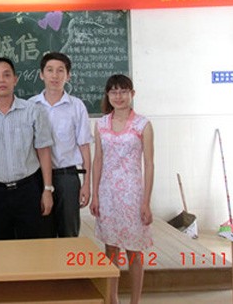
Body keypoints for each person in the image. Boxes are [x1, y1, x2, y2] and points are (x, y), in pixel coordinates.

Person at [0, 57, 54, 240]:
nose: (1, 80)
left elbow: (44, 151)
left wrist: (47, 189)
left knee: (31, 244)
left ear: (15, 79)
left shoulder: (32, 110)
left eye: (7, 75)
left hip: (28, 188)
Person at [90, 74, 154, 304]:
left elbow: (149, 163)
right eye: (114, 92)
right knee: (111, 248)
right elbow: (98, 160)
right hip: (108, 194)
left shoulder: (142, 125)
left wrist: (146, 201)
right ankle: (112, 298)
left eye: (123, 91)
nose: (119, 96)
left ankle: (135, 301)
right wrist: (95, 195)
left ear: (132, 94)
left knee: (134, 252)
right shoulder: (101, 124)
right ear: (108, 95)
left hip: (133, 195)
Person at [29, 52, 91, 238]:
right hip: (37, 178)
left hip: (67, 177)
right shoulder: (30, 105)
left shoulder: (77, 106)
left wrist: (86, 184)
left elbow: (84, 146)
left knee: (68, 232)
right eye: (50, 70)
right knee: (42, 232)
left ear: (68, 75)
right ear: (41, 74)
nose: (54, 76)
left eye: (60, 70)